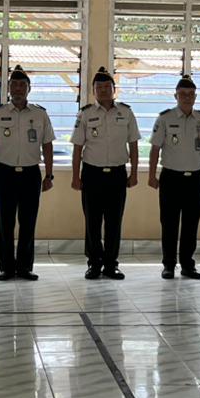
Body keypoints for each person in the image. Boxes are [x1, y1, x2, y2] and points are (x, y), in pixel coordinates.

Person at [0, 65, 54, 282]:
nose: (18, 88)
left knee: (28, 222)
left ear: (29, 89)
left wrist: (49, 175)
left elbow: (47, 145)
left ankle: (25, 267)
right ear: (8, 88)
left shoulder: (40, 114)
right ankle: (6, 268)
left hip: (31, 174)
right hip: (5, 173)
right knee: (5, 223)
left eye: (23, 85)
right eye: (14, 84)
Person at [71, 67, 139, 280]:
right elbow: (77, 147)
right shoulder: (85, 113)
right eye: (98, 87)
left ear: (113, 89)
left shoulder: (126, 113)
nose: (103, 90)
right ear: (93, 91)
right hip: (92, 174)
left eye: (106, 86)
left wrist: (134, 173)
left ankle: (111, 264)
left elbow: (133, 144)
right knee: (92, 222)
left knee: (114, 222)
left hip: (117, 174)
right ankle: (94, 263)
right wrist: (75, 176)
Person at [147, 73, 200, 280]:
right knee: (169, 224)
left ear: (195, 97)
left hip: (195, 179)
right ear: (175, 96)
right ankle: (168, 265)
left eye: (191, 94)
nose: (187, 97)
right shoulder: (165, 118)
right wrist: (151, 175)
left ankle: (187, 265)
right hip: (171, 179)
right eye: (183, 94)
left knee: (191, 224)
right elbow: (155, 149)